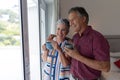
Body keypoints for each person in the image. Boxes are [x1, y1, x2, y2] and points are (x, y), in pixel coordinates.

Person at [63, 7, 110, 80]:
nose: (70, 23)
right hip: (72, 77)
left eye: (73, 20)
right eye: (70, 21)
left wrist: (77, 56)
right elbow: (73, 58)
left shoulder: (97, 38)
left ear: (83, 19)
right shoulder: (75, 37)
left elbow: (106, 67)